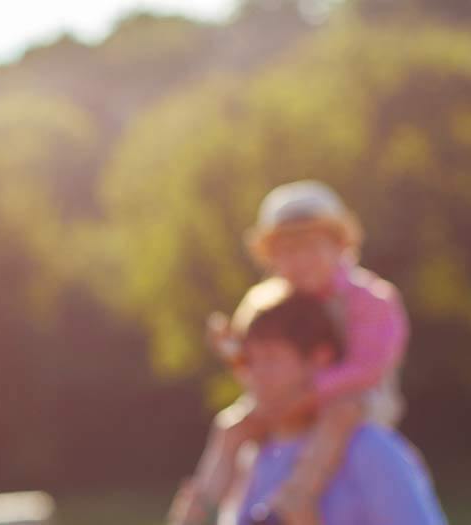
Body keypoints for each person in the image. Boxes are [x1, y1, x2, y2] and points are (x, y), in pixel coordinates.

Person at [172, 180, 409, 525]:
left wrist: (309, 394)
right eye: (286, 252)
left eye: (311, 247)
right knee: (231, 426)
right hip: (285, 401)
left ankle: (295, 495)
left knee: (339, 416)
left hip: (353, 400)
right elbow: (250, 362)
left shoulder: (371, 298)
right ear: (271, 258)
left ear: (340, 245)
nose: (299, 261)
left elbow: (367, 369)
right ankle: (199, 507)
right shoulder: (265, 302)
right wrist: (233, 352)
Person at [230, 291, 444, 524]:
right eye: (249, 361)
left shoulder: (370, 450)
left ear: (320, 359)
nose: (256, 376)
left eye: (271, 358)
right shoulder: (254, 456)